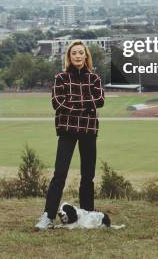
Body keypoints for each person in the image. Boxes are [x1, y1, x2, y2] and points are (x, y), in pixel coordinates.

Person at [34, 40, 105, 230]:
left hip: (89, 131)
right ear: (69, 57)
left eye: (81, 53)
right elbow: (58, 103)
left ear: (86, 56)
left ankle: (87, 215)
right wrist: (85, 105)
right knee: (60, 174)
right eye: (74, 53)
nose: (78, 56)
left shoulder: (94, 79)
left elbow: (99, 100)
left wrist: (73, 103)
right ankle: (47, 217)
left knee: (87, 176)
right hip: (67, 131)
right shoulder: (61, 78)